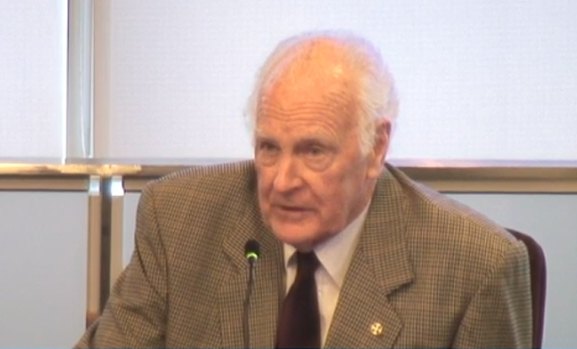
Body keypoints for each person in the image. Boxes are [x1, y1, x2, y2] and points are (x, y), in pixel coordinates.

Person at [76, 31, 532, 348]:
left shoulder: (476, 268)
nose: (281, 181)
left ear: (376, 148)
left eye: (314, 152)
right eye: (269, 148)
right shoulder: (179, 218)